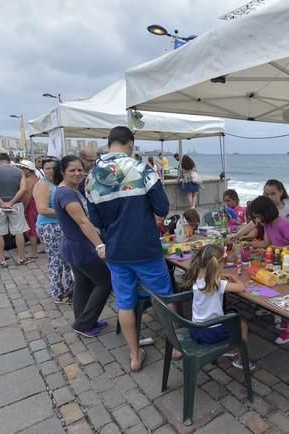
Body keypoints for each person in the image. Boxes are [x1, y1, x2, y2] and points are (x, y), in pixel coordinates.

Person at [86, 126, 173, 372]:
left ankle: (134, 356)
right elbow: (162, 208)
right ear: (130, 143)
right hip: (145, 247)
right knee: (164, 296)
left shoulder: (91, 177)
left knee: (125, 303)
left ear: (109, 142)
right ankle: (177, 347)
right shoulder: (141, 169)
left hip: (116, 251)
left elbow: (97, 222)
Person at [54, 156, 111, 337]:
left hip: (72, 247)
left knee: (83, 283)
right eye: (72, 170)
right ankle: (84, 323)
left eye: (80, 169)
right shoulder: (66, 193)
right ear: (63, 172)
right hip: (80, 248)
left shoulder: (71, 189)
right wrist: (100, 245)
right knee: (105, 281)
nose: (78, 173)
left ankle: (84, 321)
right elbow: (82, 221)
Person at [247, 195, 289, 345]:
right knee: (279, 289)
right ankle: (284, 318)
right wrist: (248, 243)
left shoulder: (283, 225)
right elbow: (266, 243)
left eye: (257, 216)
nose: (256, 220)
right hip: (282, 261)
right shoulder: (268, 225)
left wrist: (279, 248)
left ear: (265, 212)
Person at [184, 244, 255, 369]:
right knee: (242, 324)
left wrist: (220, 277)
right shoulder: (218, 283)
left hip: (196, 328)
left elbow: (212, 281)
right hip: (210, 333)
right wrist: (234, 278)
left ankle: (229, 349)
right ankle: (240, 358)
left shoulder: (198, 277)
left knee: (229, 313)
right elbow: (241, 288)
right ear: (218, 264)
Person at [34, 157, 74, 304]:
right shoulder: (42, 185)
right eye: (47, 168)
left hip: (62, 225)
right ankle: (57, 292)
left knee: (68, 260)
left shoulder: (57, 184)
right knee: (56, 260)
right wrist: (67, 211)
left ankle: (71, 290)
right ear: (43, 170)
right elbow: (42, 209)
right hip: (49, 226)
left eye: (53, 168)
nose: (50, 171)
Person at [0, 153, 32, 267]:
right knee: (18, 232)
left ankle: (2, 260)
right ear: (8, 160)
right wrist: (11, 202)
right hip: (15, 204)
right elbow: (23, 189)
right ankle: (21, 258)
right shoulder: (19, 171)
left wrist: (1, 202)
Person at [15, 160, 41, 259]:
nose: (21, 170)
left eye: (22, 168)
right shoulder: (36, 178)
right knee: (37, 227)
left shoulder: (28, 180)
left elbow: (28, 196)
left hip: (31, 206)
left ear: (29, 170)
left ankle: (33, 252)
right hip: (36, 204)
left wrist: (24, 208)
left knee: (31, 230)